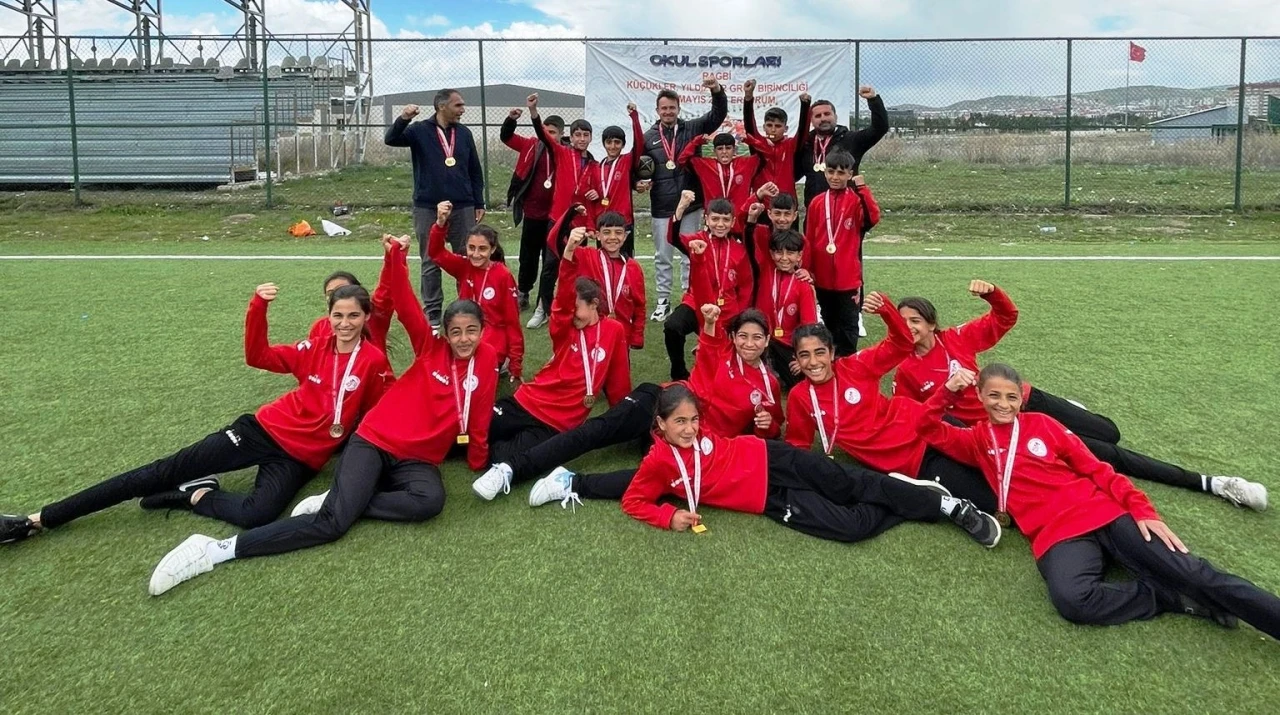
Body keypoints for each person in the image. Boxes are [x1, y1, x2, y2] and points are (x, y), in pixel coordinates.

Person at [147, 237, 502, 597]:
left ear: (483, 331)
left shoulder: (487, 358)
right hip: (375, 440)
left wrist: (478, 460)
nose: (463, 339)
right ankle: (214, 550)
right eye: (455, 332)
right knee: (333, 524)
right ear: (445, 334)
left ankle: (341, 498)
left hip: (418, 459)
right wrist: (395, 255)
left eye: (471, 331)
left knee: (430, 502)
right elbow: (405, 301)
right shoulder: (430, 347)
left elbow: (480, 410)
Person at [0, 282, 395, 545]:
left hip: (299, 458)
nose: (345, 324)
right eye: (338, 315)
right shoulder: (312, 349)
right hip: (260, 431)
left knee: (258, 514)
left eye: (353, 316)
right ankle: (38, 519)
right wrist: (258, 308)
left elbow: (376, 415)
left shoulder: (374, 361)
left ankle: (194, 495)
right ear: (329, 316)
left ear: (365, 318)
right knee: (160, 471)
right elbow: (257, 356)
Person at [918, 364, 1280, 639]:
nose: (1003, 404)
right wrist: (946, 393)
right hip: (1057, 536)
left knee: (1194, 572)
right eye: (994, 396)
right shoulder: (975, 440)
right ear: (980, 396)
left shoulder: (1043, 424)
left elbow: (1099, 470)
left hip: (1104, 513)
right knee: (1073, 600)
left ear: (1020, 399)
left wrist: (1143, 510)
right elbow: (926, 427)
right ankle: (1171, 598)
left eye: (1011, 397)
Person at [893, 281, 1267, 510]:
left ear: (931, 324)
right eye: (903, 321)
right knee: (1108, 456)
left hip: (1025, 400)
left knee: (1109, 433)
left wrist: (993, 294)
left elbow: (1006, 317)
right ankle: (1214, 483)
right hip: (1010, 427)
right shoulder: (906, 371)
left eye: (916, 320)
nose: (910, 328)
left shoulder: (957, 338)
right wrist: (951, 402)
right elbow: (919, 418)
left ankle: (1069, 413)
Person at [618, 384, 1001, 547]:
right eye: (679, 422)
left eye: (693, 420)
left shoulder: (702, 430)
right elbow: (633, 501)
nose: (689, 429)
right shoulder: (657, 462)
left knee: (851, 484)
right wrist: (668, 516)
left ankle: (948, 506)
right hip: (768, 497)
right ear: (661, 425)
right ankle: (908, 494)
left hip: (774, 457)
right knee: (850, 527)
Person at [493, 304, 790, 512]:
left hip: (687, 436)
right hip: (660, 403)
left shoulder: (769, 385)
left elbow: (773, 430)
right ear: (733, 337)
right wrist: (710, 321)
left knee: (665, 481)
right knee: (596, 431)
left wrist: (767, 425)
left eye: (757, 338)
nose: (748, 344)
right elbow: (709, 344)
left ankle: (568, 482)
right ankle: (511, 469)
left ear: (767, 341)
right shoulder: (720, 352)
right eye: (742, 336)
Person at [785, 299, 1000, 514]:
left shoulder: (856, 366)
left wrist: (886, 311)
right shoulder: (799, 397)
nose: (813, 362)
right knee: (991, 499)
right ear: (796, 359)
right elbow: (798, 444)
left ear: (831, 353)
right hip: (910, 459)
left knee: (998, 461)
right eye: (804, 355)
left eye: (819, 352)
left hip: (926, 422)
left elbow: (902, 343)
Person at [470, 232, 632, 501]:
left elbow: (618, 380)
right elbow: (561, 306)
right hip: (525, 402)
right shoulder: (564, 328)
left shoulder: (614, 331)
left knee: (496, 455)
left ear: (594, 305)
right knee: (468, 427)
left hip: (553, 426)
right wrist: (567, 255)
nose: (571, 314)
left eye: (577, 308)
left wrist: (623, 417)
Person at [384, 88, 486, 328]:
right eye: (458, 105)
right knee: (430, 260)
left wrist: (478, 201)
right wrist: (404, 118)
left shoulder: (464, 133)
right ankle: (432, 315)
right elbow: (391, 139)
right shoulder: (419, 130)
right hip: (427, 206)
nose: (463, 110)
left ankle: (468, 307)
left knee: (467, 258)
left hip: (462, 206)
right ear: (442, 106)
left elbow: (474, 169)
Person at [643, 78, 728, 322]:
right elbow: (641, 168)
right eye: (664, 108)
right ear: (657, 110)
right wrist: (639, 181)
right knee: (663, 255)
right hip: (662, 206)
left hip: (690, 205)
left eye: (672, 107)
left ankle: (688, 298)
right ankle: (663, 301)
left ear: (679, 108)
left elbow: (717, 115)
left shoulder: (692, 128)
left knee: (691, 254)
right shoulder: (648, 137)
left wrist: (716, 91)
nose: (668, 112)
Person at [426, 201, 525, 382]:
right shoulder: (463, 266)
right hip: (466, 329)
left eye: (482, 249)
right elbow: (436, 253)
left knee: (474, 376)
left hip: (492, 336)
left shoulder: (503, 275)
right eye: (471, 248)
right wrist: (440, 224)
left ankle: (499, 363)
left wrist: (516, 363)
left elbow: (512, 322)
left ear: (492, 249)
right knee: (439, 364)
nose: (476, 254)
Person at [526, 93, 596, 330]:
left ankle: (576, 306)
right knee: (550, 266)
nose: (581, 139)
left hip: (580, 225)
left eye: (586, 135)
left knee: (577, 267)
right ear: (571, 137)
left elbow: (598, 194)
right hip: (558, 220)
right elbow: (543, 134)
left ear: (591, 138)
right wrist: (534, 112)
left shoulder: (594, 165)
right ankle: (543, 308)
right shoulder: (561, 152)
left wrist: (596, 195)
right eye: (578, 135)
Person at [664, 195, 752, 381]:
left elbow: (745, 286)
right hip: (696, 303)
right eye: (715, 219)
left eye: (725, 220)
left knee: (720, 367)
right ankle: (679, 373)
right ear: (706, 219)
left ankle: (707, 349)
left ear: (732, 222)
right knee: (673, 326)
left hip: (727, 309)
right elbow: (673, 238)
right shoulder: (697, 240)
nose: (720, 224)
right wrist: (681, 207)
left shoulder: (739, 250)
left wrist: (740, 315)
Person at [803, 152, 880, 356]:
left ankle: (848, 362)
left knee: (849, 323)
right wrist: (807, 269)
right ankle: (831, 361)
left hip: (848, 279)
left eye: (840, 173)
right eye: (831, 172)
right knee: (828, 321)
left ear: (849, 174)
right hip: (822, 278)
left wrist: (862, 188)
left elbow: (873, 217)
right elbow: (809, 239)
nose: (835, 177)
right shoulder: (817, 202)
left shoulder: (856, 201)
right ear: (825, 173)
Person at [500, 107, 562, 312]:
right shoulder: (530, 145)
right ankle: (524, 292)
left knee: (551, 258)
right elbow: (506, 137)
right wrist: (511, 119)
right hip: (533, 213)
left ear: (561, 134)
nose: (548, 135)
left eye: (552, 132)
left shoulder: (565, 151)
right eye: (545, 131)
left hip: (556, 216)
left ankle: (546, 297)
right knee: (528, 257)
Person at [743, 223, 817, 392]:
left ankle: (775, 373)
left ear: (799, 256)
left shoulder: (803, 285)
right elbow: (755, 235)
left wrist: (802, 355)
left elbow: (808, 325)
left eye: (790, 253)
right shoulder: (766, 269)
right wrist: (753, 215)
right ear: (771, 254)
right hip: (762, 338)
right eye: (778, 252)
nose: (784, 258)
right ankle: (764, 372)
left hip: (788, 344)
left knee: (800, 380)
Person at [559, 214, 646, 351]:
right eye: (606, 232)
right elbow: (556, 242)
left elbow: (640, 306)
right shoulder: (587, 256)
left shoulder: (633, 268)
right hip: (591, 333)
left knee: (619, 364)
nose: (613, 237)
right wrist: (571, 214)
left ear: (625, 236)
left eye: (618, 232)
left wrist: (637, 337)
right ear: (598, 235)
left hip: (622, 336)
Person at [796, 86, 888, 209]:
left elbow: (880, 128)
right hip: (815, 210)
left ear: (835, 117)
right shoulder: (806, 143)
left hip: (846, 210)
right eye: (818, 116)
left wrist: (873, 100)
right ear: (811, 121)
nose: (823, 118)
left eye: (827, 114)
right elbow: (793, 174)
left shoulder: (852, 139)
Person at [585, 103, 647, 258]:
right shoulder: (596, 168)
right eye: (609, 142)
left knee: (625, 260)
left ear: (623, 144)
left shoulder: (626, 161)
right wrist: (591, 225)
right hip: (603, 224)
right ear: (604, 144)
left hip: (623, 222)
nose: (613, 146)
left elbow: (640, 143)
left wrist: (634, 117)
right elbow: (591, 200)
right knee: (604, 261)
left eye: (617, 142)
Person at [742, 80, 811, 206]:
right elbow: (749, 125)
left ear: (786, 128)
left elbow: (803, 131)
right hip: (761, 202)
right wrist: (748, 97)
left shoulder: (790, 145)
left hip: (786, 203)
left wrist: (805, 106)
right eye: (769, 125)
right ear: (764, 127)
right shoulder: (758, 143)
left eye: (778, 126)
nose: (773, 129)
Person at [307, 271, 394, 351]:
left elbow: (388, 283)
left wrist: (392, 259)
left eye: (343, 290)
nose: (337, 295)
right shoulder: (320, 326)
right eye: (330, 293)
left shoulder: (375, 317)